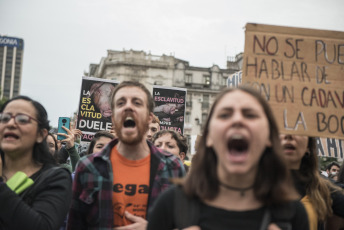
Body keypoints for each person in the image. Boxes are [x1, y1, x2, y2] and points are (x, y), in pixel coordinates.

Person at [147, 86, 308, 230]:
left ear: (268, 136)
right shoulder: (171, 204)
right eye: (225, 115)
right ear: (208, 137)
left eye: (250, 115)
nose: (237, 120)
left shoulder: (292, 213)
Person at [67, 81, 185, 230]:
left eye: (137, 103)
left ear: (149, 117)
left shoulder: (173, 166)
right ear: (113, 117)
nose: (128, 107)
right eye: (121, 103)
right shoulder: (88, 167)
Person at [0, 96, 72, 229]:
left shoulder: (56, 178)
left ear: (41, 134)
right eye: (4, 118)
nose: (10, 123)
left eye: (22, 119)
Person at [280, 134, 344, 230]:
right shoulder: (253, 185)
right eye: (281, 130)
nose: (289, 135)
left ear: (308, 147)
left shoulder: (323, 189)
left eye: (299, 130)